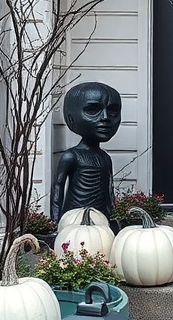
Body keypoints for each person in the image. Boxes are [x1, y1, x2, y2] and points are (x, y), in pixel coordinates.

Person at [50, 82, 122, 223]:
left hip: (101, 221)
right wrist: (55, 221)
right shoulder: (71, 156)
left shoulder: (105, 158)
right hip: (74, 221)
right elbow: (58, 186)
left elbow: (109, 191)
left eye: (113, 111)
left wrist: (114, 216)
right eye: (93, 110)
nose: (105, 118)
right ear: (71, 118)